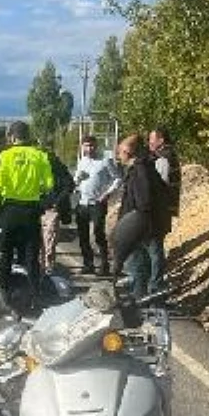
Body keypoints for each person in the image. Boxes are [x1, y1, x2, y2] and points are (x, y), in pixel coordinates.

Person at [0, 121, 53, 300]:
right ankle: (35, 293)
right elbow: (48, 184)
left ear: (12, 137)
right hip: (31, 210)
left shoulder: (5, 155)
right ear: (28, 136)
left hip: (10, 210)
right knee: (31, 254)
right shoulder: (40, 156)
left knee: (5, 251)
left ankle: (3, 292)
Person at [111, 133, 171, 298]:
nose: (118, 156)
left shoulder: (140, 171)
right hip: (146, 225)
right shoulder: (144, 167)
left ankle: (143, 299)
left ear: (128, 152)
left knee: (137, 264)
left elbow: (143, 202)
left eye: (120, 152)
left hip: (141, 227)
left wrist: (131, 225)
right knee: (143, 263)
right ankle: (147, 296)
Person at [73, 135, 121, 276]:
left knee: (98, 233)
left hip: (97, 203)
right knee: (82, 235)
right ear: (82, 147)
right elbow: (76, 180)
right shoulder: (82, 161)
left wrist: (107, 193)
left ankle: (104, 265)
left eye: (92, 145)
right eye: (86, 146)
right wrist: (77, 180)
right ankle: (88, 264)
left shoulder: (105, 161)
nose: (89, 148)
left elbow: (117, 178)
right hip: (82, 202)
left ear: (96, 146)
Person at [146, 127, 181, 294]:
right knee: (154, 248)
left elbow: (160, 186)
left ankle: (155, 285)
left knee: (155, 249)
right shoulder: (167, 156)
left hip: (159, 211)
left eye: (152, 140)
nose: (149, 143)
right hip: (163, 210)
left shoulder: (162, 159)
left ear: (161, 141)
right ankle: (154, 282)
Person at [38, 147, 74, 276]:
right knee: (39, 239)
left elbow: (69, 185)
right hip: (36, 208)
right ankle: (40, 264)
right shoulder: (36, 167)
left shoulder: (59, 168)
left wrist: (56, 202)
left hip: (52, 209)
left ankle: (48, 265)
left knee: (49, 238)